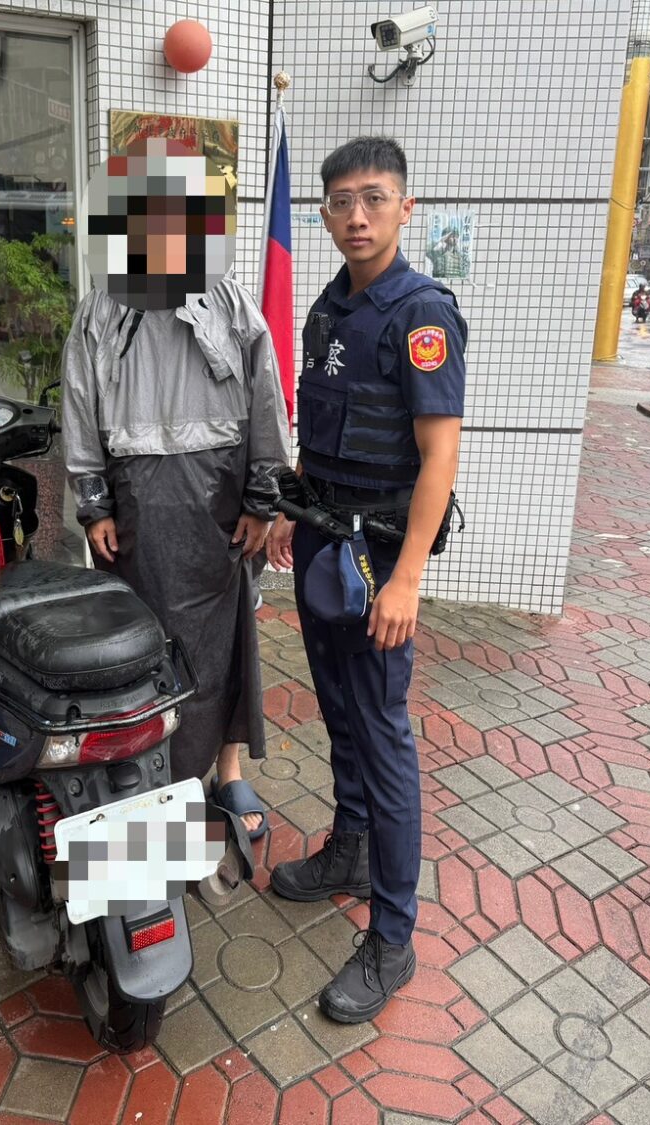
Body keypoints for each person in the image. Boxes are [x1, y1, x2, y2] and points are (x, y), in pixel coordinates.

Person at [266, 136, 464, 1023]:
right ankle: (348, 850)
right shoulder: (327, 309)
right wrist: (293, 507)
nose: (356, 215)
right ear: (323, 213)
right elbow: (319, 430)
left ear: (404, 208)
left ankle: (392, 934)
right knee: (339, 713)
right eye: (341, 201)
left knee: (383, 735)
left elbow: (439, 456)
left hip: (380, 555)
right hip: (322, 541)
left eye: (373, 198)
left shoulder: (421, 314)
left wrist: (407, 578)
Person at [61, 138, 290, 841]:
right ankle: (145, 785)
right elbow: (78, 405)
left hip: (219, 503)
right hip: (133, 507)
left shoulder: (230, 301)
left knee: (224, 642)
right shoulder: (100, 308)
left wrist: (263, 498)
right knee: (135, 645)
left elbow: (266, 400)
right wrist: (93, 502)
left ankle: (226, 770)